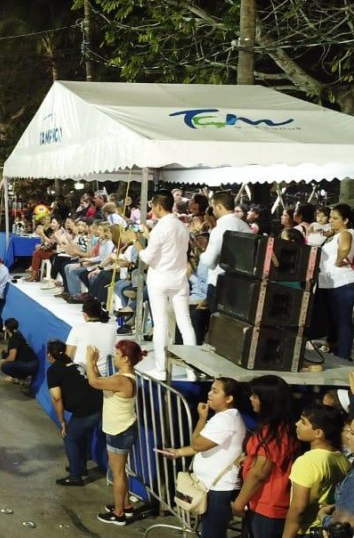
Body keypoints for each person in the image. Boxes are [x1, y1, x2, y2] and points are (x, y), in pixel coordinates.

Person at [162, 377, 248, 538]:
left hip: (219, 489)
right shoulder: (222, 418)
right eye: (210, 389)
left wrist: (201, 418)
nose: (209, 394)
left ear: (229, 398)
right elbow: (206, 445)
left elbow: (197, 444)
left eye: (215, 391)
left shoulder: (225, 420)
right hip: (209, 487)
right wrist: (179, 452)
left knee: (212, 533)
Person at [136, 191, 197, 379]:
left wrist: (136, 242)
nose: (151, 209)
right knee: (185, 324)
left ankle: (161, 369)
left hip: (160, 279)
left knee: (161, 324)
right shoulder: (182, 226)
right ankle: (191, 370)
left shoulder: (160, 229)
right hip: (179, 279)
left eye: (152, 206)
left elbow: (147, 257)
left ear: (158, 207)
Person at [231, 375, 298, 538]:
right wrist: (249, 459)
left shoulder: (271, 433)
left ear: (267, 400)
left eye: (255, 396)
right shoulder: (283, 428)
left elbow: (259, 473)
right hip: (269, 506)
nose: (251, 399)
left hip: (267, 507)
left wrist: (239, 503)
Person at [86, 340, 144, 526]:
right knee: (121, 471)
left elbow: (94, 382)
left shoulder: (122, 380)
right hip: (121, 429)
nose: (115, 358)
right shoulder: (124, 377)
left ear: (126, 358)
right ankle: (125, 505)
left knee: (118, 473)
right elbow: (102, 382)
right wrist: (94, 365)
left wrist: (88, 360)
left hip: (119, 431)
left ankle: (118, 514)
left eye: (118, 355)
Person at [283, 404, 350, 538]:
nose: (296, 424)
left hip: (309, 531)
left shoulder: (307, 461)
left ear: (318, 433)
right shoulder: (342, 459)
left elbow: (298, 509)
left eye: (303, 422)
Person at [46, 339, 103, 487]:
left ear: (49, 355)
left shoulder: (53, 370)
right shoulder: (75, 365)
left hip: (86, 411)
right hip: (97, 406)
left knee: (70, 438)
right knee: (81, 436)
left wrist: (62, 421)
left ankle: (75, 476)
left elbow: (56, 397)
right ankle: (80, 467)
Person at [317, 204, 354, 360]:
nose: (331, 220)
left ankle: (344, 355)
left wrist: (338, 260)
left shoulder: (346, 233)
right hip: (331, 283)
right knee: (334, 319)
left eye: (335, 218)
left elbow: (344, 248)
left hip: (343, 282)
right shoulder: (337, 234)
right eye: (331, 217)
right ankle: (335, 349)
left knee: (343, 319)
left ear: (346, 220)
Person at [198, 192, 252, 313]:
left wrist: (201, 253)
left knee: (219, 323)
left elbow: (210, 262)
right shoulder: (246, 227)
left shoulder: (219, 229)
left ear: (219, 207)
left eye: (213, 207)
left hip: (220, 284)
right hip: (240, 285)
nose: (213, 211)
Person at [65, 299, 116, 376]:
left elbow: (68, 355)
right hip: (104, 376)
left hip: (82, 376)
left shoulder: (77, 329)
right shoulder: (112, 329)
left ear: (85, 314)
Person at [0, 318, 38, 386]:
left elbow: (12, 358)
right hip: (33, 363)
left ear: (6, 328)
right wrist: (3, 352)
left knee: (4, 366)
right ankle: (21, 377)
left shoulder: (13, 339)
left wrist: (3, 361)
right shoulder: (18, 334)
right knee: (5, 358)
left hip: (29, 365)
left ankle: (22, 379)